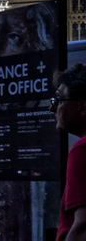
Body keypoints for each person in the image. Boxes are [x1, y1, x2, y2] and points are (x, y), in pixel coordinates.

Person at [55, 63, 86, 241]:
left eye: (59, 100)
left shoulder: (82, 150)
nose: (52, 108)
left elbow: (82, 228)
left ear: (82, 107)